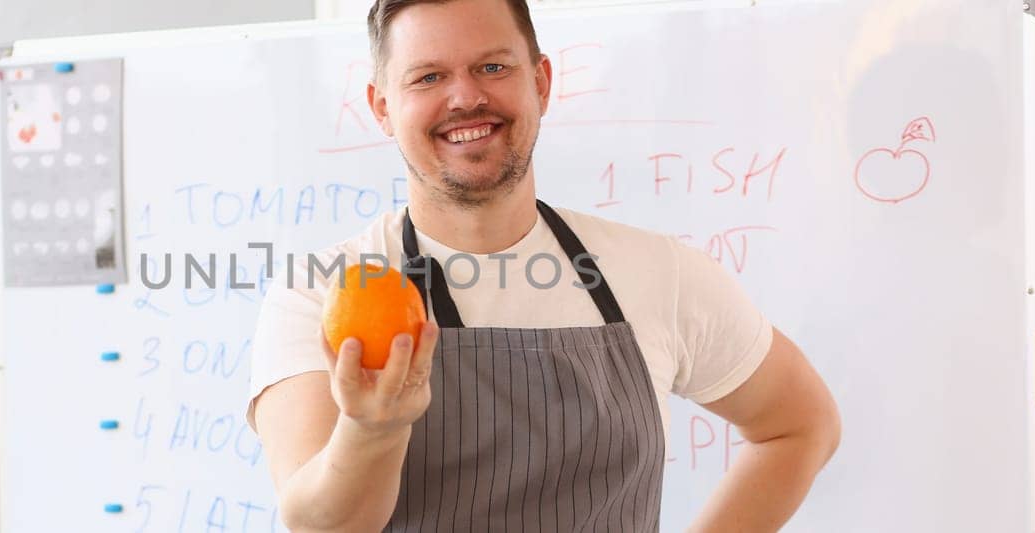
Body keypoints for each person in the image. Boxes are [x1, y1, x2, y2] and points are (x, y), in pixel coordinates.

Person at [247, 0, 842, 530]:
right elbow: (320, 525)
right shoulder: (323, 292)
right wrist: (371, 429)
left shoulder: (660, 271)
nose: (465, 97)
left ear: (542, 83)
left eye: (493, 67)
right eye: (429, 76)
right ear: (382, 107)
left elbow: (801, 425)